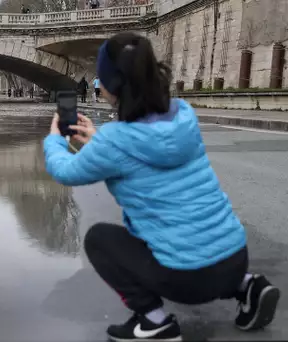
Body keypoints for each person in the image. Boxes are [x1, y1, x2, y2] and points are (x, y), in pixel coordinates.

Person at [43, 32, 280, 342]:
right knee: (197, 235)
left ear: (111, 86)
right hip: (235, 256)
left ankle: (154, 323)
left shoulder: (115, 141)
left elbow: (65, 171)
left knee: (99, 240)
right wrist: (99, 139)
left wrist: (54, 140)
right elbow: (143, 146)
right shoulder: (183, 115)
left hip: (187, 280)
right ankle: (248, 285)